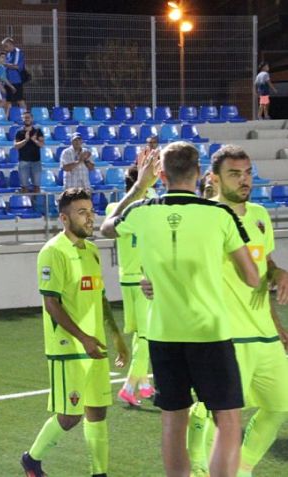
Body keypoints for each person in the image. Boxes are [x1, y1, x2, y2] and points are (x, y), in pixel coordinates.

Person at [100, 142, 260, 477]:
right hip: (209, 332)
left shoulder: (142, 211)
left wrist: (139, 187)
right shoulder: (220, 215)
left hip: (163, 333)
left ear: (161, 174)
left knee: (174, 420)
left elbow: (107, 226)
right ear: (199, 172)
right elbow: (251, 277)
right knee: (227, 419)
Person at [183, 145, 288, 477]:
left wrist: (279, 274)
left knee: (278, 407)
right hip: (225, 336)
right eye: (234, 173)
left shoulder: (259, 215)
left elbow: (264, 266)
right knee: (224, 415)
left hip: (265, 336)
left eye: (247, 173)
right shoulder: (203, 219)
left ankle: (241, 469)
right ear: (213, 178)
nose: (244, 180)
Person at [21, 187, 128, 477]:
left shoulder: (92, 250)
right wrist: (83, 338)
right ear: (64, 218)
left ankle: (99, 472)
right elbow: (51, 304)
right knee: (70, 416)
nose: (90, 217)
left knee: (98, 410)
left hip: (95, 344)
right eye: (82, 212)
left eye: (91, 211)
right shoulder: (53, 252)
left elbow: (101, 297)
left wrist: (116, 336)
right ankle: (31, 459)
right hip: (68, 346)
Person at [104, 165, 154, 408]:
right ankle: (129, 387)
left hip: (125, 279)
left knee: (139, 334)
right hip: (144, 280)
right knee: (147, 337)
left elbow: (109, 224)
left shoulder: (113, 209)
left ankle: (144, 384)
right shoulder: (150, 207)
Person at [14, 111, 43, 194]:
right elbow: (16, 146)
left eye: (28, 117)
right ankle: (26, 205)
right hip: (23, 161)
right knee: (24, 187)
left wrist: (34, 140)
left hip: (36, 161)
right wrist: (25, 140)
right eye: (25, 117)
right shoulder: (19, 132)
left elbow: (41, 145)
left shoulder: (38, 131)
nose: (27, 119)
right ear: (22, 119)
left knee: (37, 186)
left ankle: (37, 205)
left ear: (32, 119)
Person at [2, 37, 27, 113]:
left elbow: (17, 66)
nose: (5, 48)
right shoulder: (8, 54)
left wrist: (5, 64)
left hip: (16, 80)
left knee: (20, 100)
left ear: (11, 44)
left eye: (6, 46)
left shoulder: (18, 52)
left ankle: (25, 115)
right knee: (8, 101)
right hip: (8, 81)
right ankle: (6, 119)